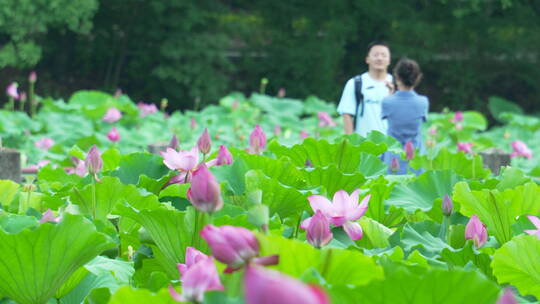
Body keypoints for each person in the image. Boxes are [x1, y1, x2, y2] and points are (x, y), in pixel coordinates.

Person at [381, 57, 429, 174]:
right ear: (417, 78)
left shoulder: (387, 102)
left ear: (396, 77)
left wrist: (390, 93)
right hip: (416, 158)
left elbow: (390, 106)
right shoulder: (423, 102)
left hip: (393, 158)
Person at [337, 42, 394, 136]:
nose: (379, 58)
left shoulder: (396, 84)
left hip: (390, 146)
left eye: (384, 55)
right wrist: (350, 143)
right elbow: (347, 114)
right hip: (362, 144)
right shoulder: (355, 83)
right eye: (375, 55)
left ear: (389, 60)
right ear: (367, 59)